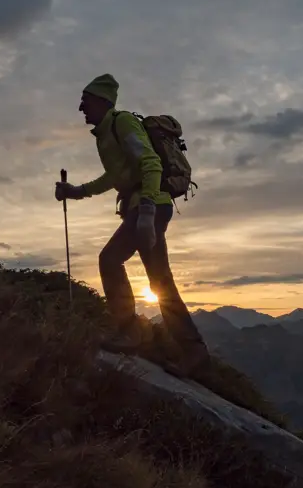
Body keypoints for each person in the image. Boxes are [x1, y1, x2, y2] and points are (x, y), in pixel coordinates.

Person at [54, 73, 211, 377]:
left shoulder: (122, 123)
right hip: (142, 206)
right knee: (159, 280)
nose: (80, 108)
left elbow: (150, 163)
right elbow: (115, 178)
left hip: (149, 205)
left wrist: (149, 212)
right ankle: (193, 353)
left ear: (102, 101)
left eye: (85, 101)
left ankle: (131, 333)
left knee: (111, 260)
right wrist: (76, 192)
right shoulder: (105, 134)